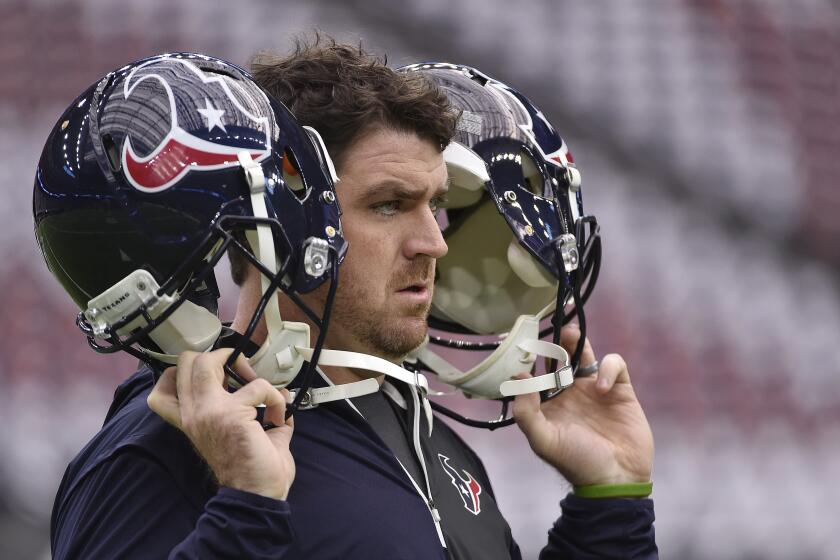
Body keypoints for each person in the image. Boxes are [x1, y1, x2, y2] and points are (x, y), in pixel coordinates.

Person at [41, 39, 656, 560]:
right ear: (292, 216)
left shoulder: (419, 430)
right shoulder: (161, 452)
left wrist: (610, 502)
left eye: (435, 205)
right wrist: (246, 507)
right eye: (389, 205)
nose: (433, 243)